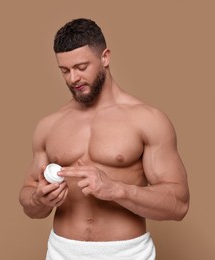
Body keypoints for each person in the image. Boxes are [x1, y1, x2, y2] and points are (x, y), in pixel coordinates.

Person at [18, 18, 190, 259]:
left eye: (81, 67)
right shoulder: (49, 125)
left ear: (105, 57)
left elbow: (179, 205)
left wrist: (117, 190)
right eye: (65, 71)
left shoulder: (147, 119)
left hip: (127, 253)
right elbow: (29, 202)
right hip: (62, 252)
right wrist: (39, 199)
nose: (73, 79)